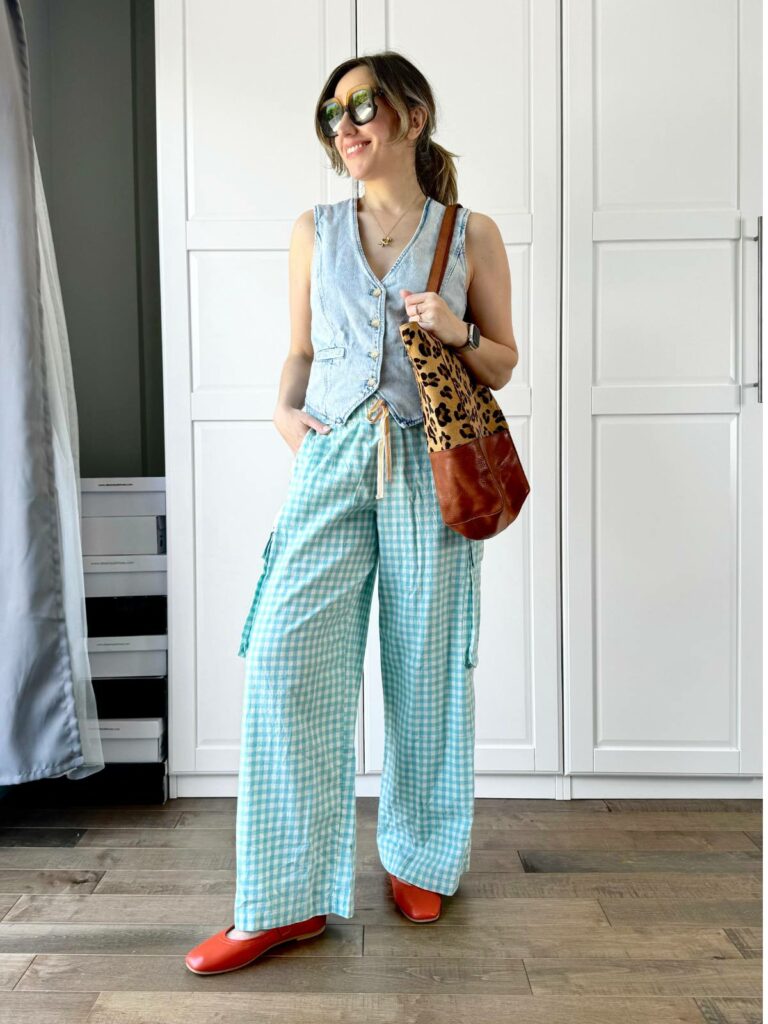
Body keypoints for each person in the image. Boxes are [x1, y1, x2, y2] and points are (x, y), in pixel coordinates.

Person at [185, 50, 517, 976]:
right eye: (332, 113)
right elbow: (297, 353)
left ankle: (419, 856)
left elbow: (503, 360)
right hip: (332, 461)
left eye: (364, 104)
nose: (346, 124)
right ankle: (281, 901)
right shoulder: (313, 230)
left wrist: (457, 332)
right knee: (286, 662)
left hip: (431, 466)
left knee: (425, 668)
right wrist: (284, 415)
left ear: (414, 115)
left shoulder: (471, 233)